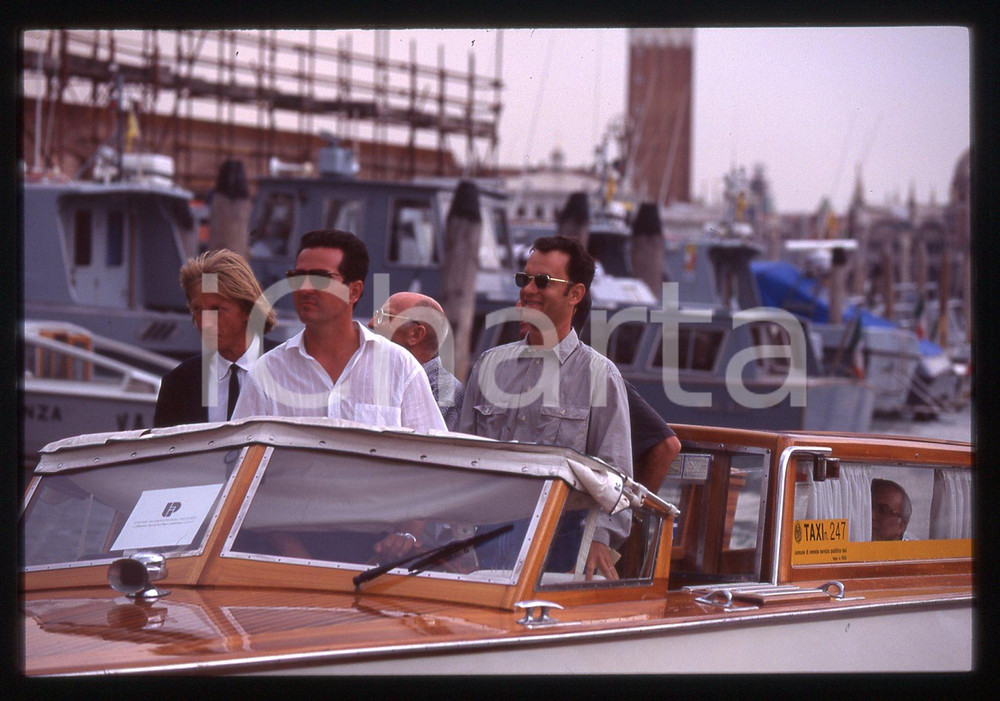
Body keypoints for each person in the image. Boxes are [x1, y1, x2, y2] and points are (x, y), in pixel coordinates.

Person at [458, 235, 632, 580]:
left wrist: (598, 542)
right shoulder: (489, 366)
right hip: (484, 542)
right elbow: (462, 459)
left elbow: (616, 476)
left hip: (561, 546)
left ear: (575, 295)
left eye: (542, 282)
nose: (528, 290)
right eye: (524, 279)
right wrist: (459, 543)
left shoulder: (600, 375)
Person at [231, 229, 446, 434]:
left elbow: (432, 456)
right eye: (297, 277)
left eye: (319, 278)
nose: (304, 288)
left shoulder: (400, 367)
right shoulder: (267, 372)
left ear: (354, 291)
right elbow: (238, 458)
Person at [154, 248, 278, 427]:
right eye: (198, 310)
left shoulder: (287, 369)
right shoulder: (179, 384)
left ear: (248, 310)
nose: (206, 323)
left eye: (217, 310)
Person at [368, 291, 465, 431]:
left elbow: (435, 449)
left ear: (415, 334)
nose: (371, 323)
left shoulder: (444, 390)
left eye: (383, 316)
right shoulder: (376, 373)